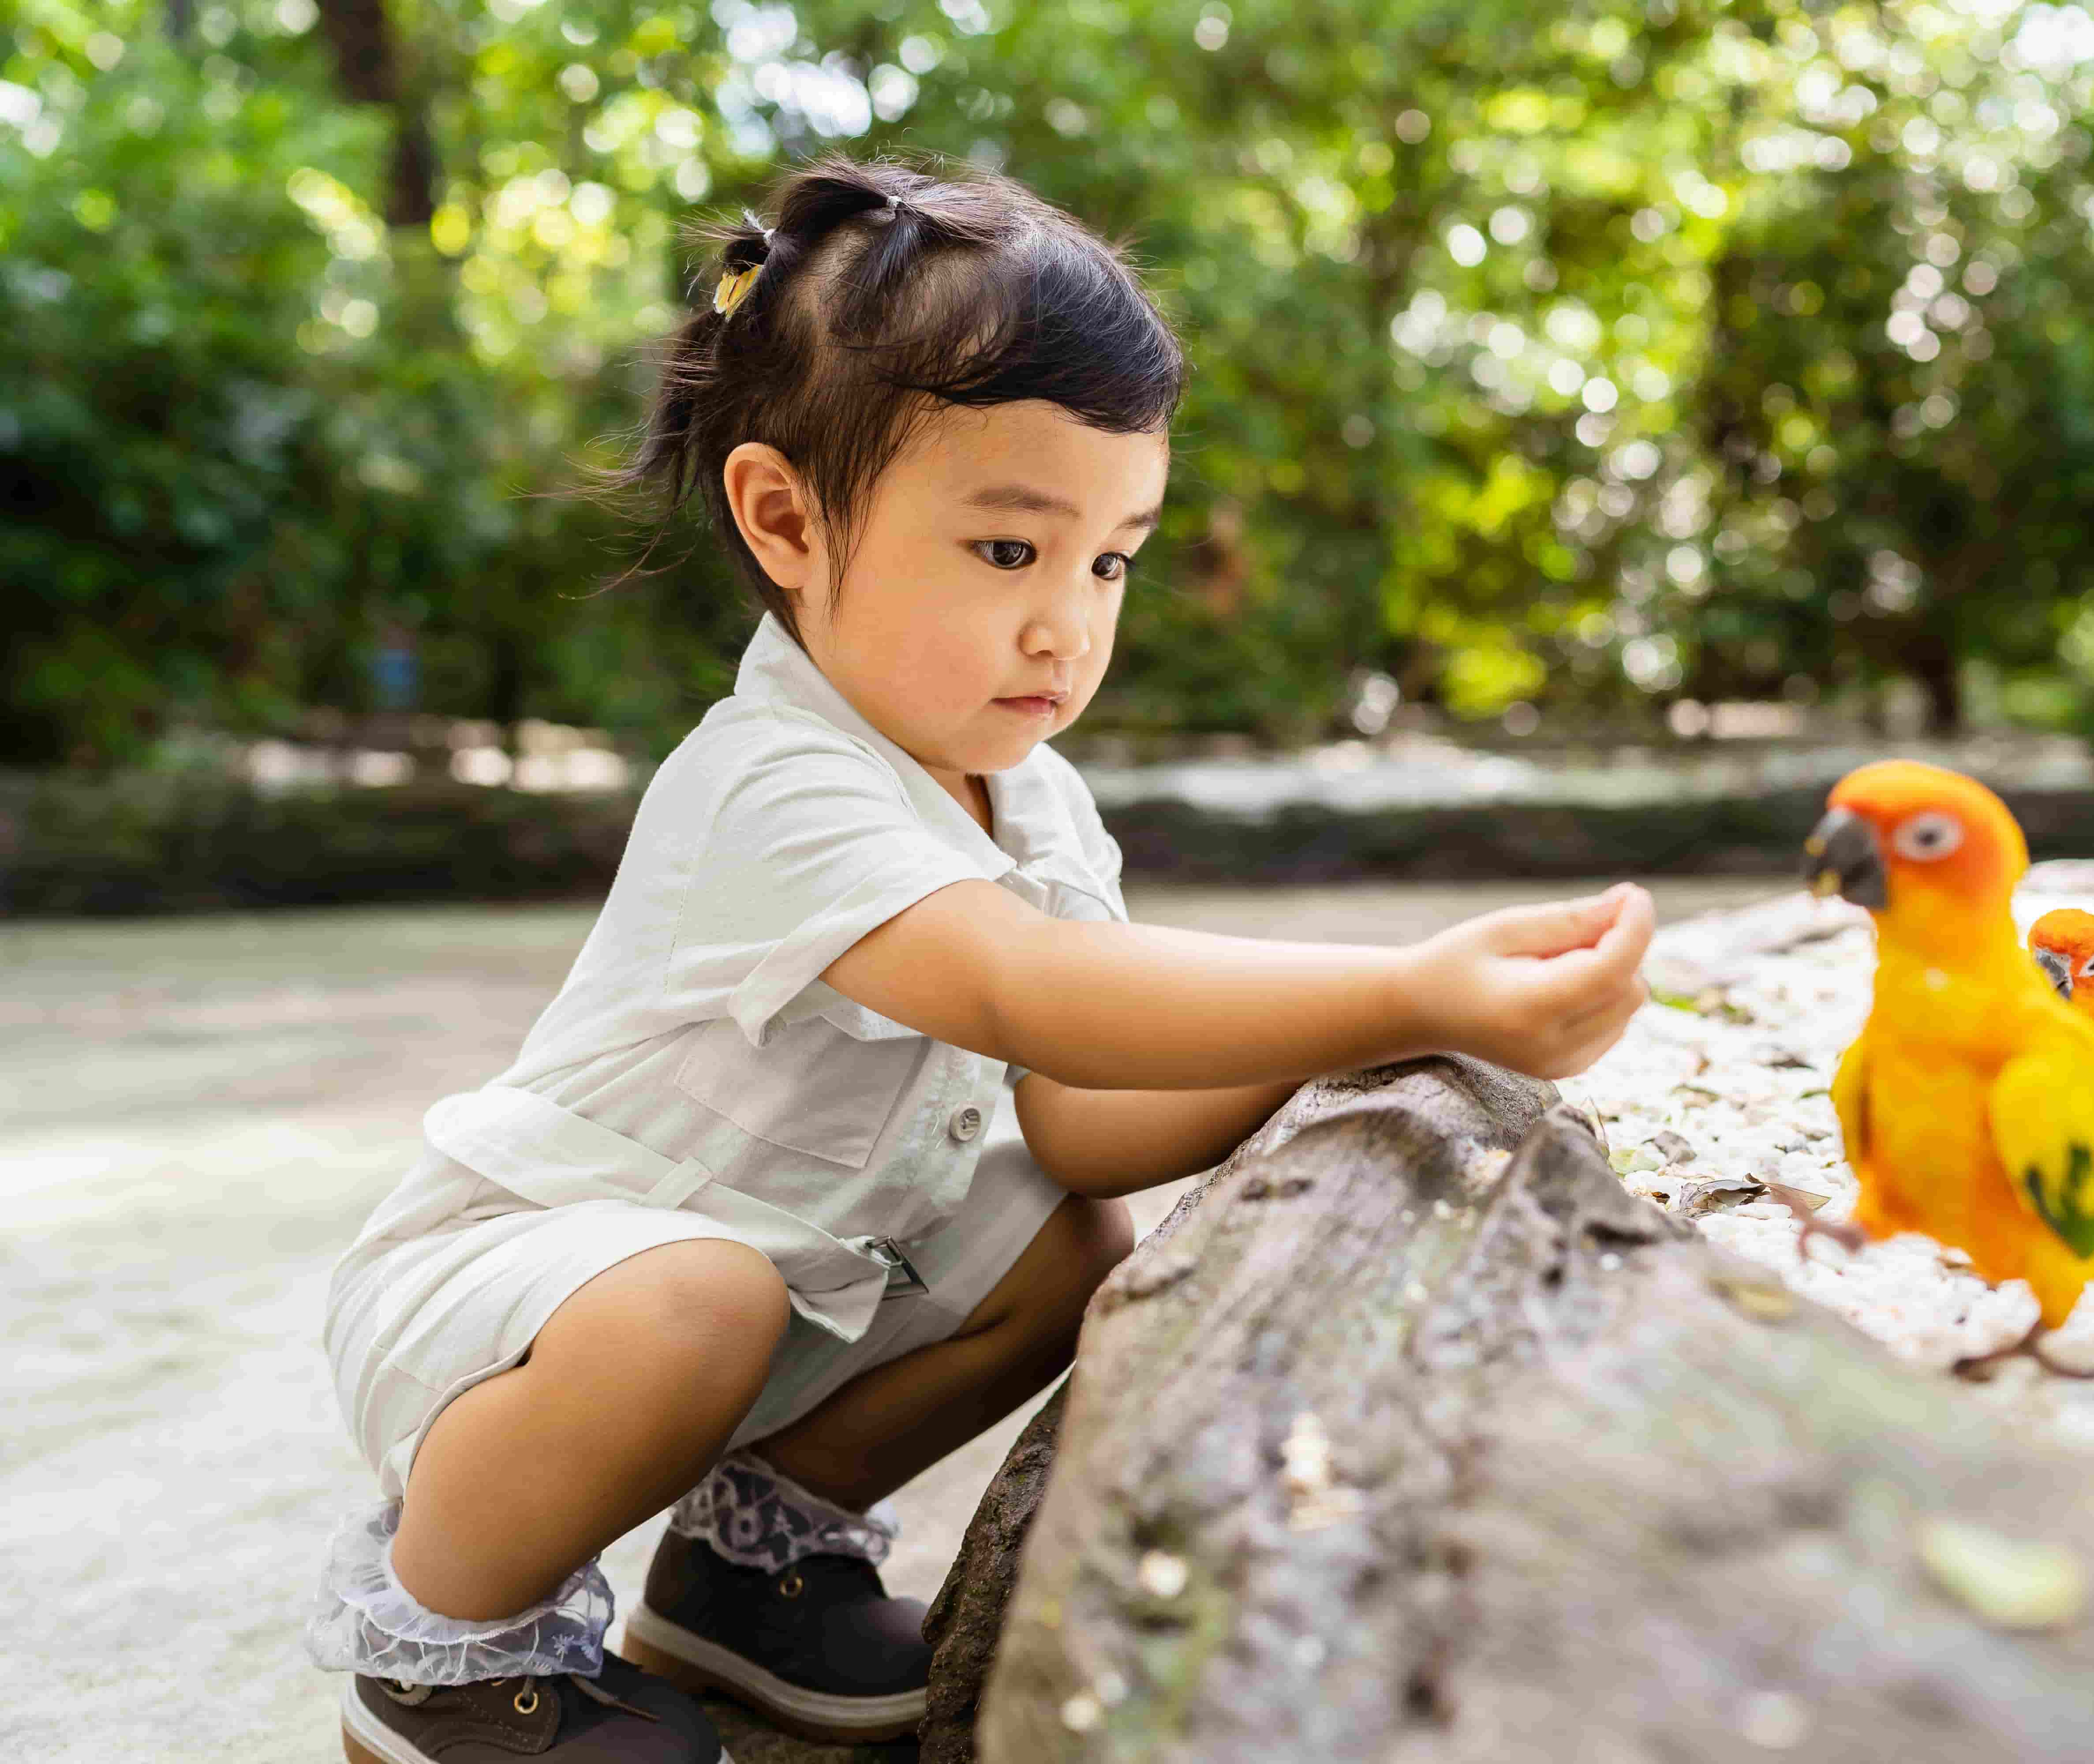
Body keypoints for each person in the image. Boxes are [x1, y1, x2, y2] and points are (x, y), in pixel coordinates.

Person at [307, 151, 1655, 1764]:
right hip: (524, 1300)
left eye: (1111, 560)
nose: (1067, 626)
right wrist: (1403, 983)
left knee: (1061, 1243)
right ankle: (446, 1658)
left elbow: (1083, 1107)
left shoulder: (1030, 796)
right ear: (786, 519)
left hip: (775, 1300)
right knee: (693, 1304)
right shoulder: (772, 782)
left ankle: (749, 1568)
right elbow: (1023, 989)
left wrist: (1361, 1033)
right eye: (1011, 552)